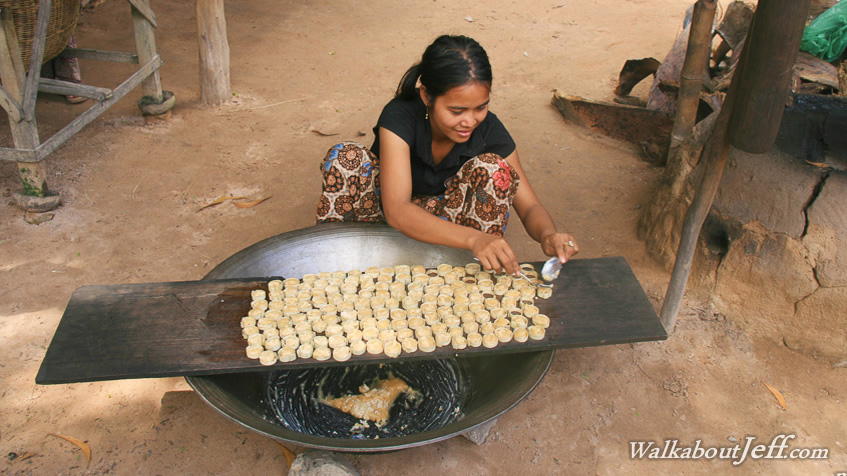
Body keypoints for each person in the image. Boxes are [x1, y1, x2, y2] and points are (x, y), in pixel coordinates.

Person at [316, 35, 578, 276]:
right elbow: (397, 210)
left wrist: (548, 235)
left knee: (493, 170)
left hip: (449, 234)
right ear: (427, 96)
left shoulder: (489, 129)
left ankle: (467, 275)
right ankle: (346, 272)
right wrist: (474, 238)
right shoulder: (400, 116)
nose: (470, 121)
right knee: (346, 157)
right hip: (383, 221)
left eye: (481, 107)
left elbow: (530, 205)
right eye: (456, 111)